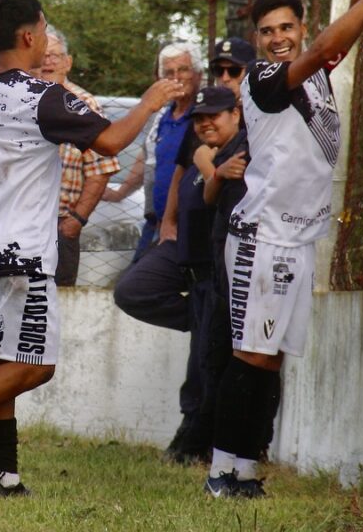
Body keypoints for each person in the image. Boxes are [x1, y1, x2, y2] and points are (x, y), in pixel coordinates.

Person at [0, 0, 183, 497]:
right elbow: (111, 142)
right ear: (29, 36)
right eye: (45, 28)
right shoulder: (42, 96)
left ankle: (5, 479)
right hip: (21, 251)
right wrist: (150, 101)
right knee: (36, 364)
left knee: (5, 358)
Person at [205, 0, 363, 499]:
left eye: (287, 27)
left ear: (299, 27)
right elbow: (327, 43)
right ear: (258, 39)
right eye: (267, 31)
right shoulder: (265, 79)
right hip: (262, 236)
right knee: (249, 355)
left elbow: (333, 40)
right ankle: (221, 472)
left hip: (298, 239)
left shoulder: (314, 70)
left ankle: (247, 471)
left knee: (270, 359)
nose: (278, 38)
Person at [112, 38, 255, 465]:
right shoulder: (199, 134)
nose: (225, 78)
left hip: (217, 263)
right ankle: (199, 320)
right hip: (182, 251)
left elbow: (217, 193)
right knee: (132, 291)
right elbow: (178, 172)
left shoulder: (251, 137)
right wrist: (169, 221)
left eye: (234, 71)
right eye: (220, 70)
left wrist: (212, 168)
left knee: (207, 365)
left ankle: (195, 446)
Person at [104, 42, 204, 261]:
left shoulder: (204, 117)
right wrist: (121, 192)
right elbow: (148, 159)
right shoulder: (161, 117)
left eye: (183, 70)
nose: (176, 78)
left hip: (187, 226)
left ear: (199, 74)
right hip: (155, 222)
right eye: (169, 73)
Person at [39, 24, 120, 286]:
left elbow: (101, 169)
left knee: (58, 299)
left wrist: (75, 221)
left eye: (54, 55)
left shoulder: (84, 103)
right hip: (20, 222)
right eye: (42, 55)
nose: (48, 61)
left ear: (68, 62)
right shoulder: (21, 98)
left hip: (60, 225)